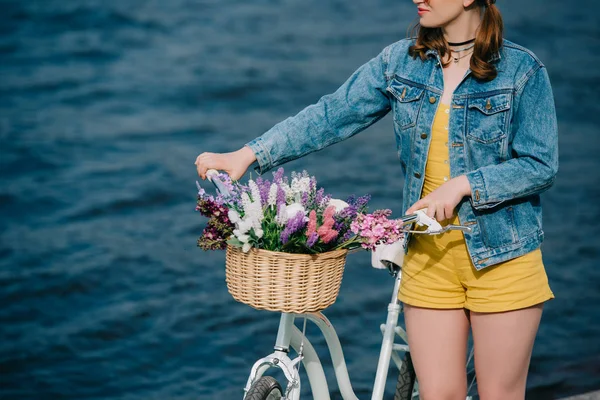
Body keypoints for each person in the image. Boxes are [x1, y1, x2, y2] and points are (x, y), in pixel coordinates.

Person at [195, 0, 558, 398]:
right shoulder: (401, 63)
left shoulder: (522, 71)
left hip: (503, 258)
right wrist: (247, 154)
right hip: (428, 259)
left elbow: (540, 164)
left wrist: (463, 185)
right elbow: (332, 114)